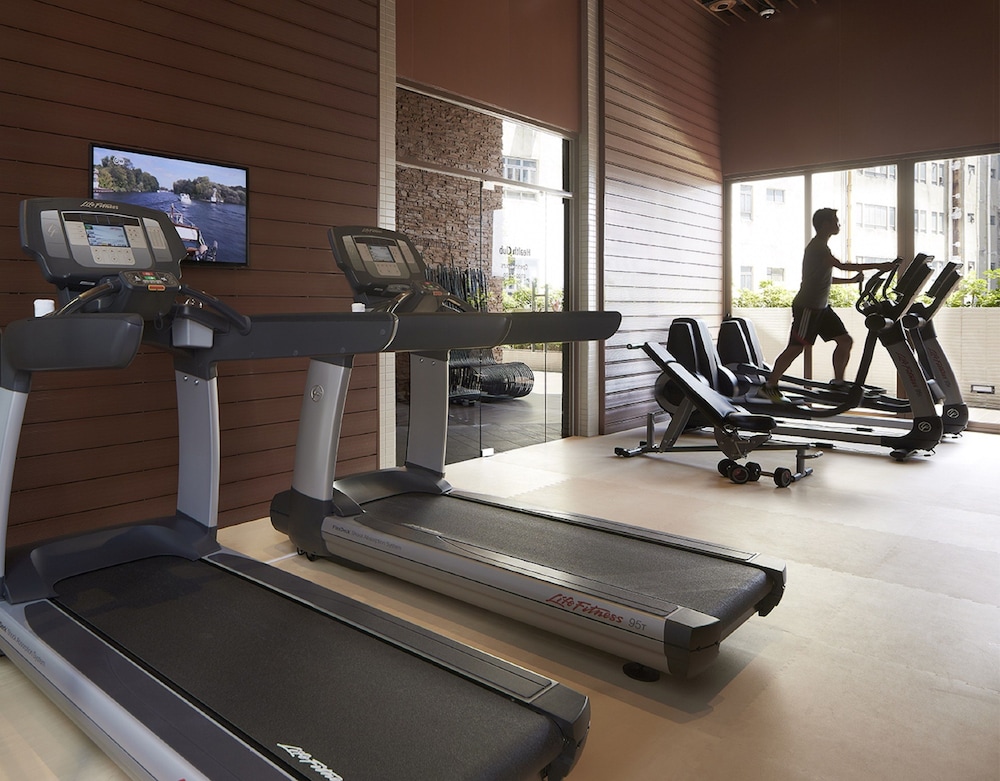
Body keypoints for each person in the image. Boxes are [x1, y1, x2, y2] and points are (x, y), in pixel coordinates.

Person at [758, 208, 896, 402]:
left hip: (822, 308)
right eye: (835, 221)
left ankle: (838, 382)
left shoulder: (822, 247)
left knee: (845, 341)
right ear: (825, 224)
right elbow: (842, 266)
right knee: (796, 347)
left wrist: (851, 281)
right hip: (808, 307)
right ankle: (769, 386)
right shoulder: (818, 247)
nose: (838, 224)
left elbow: (824, 278)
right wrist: (878, 266)